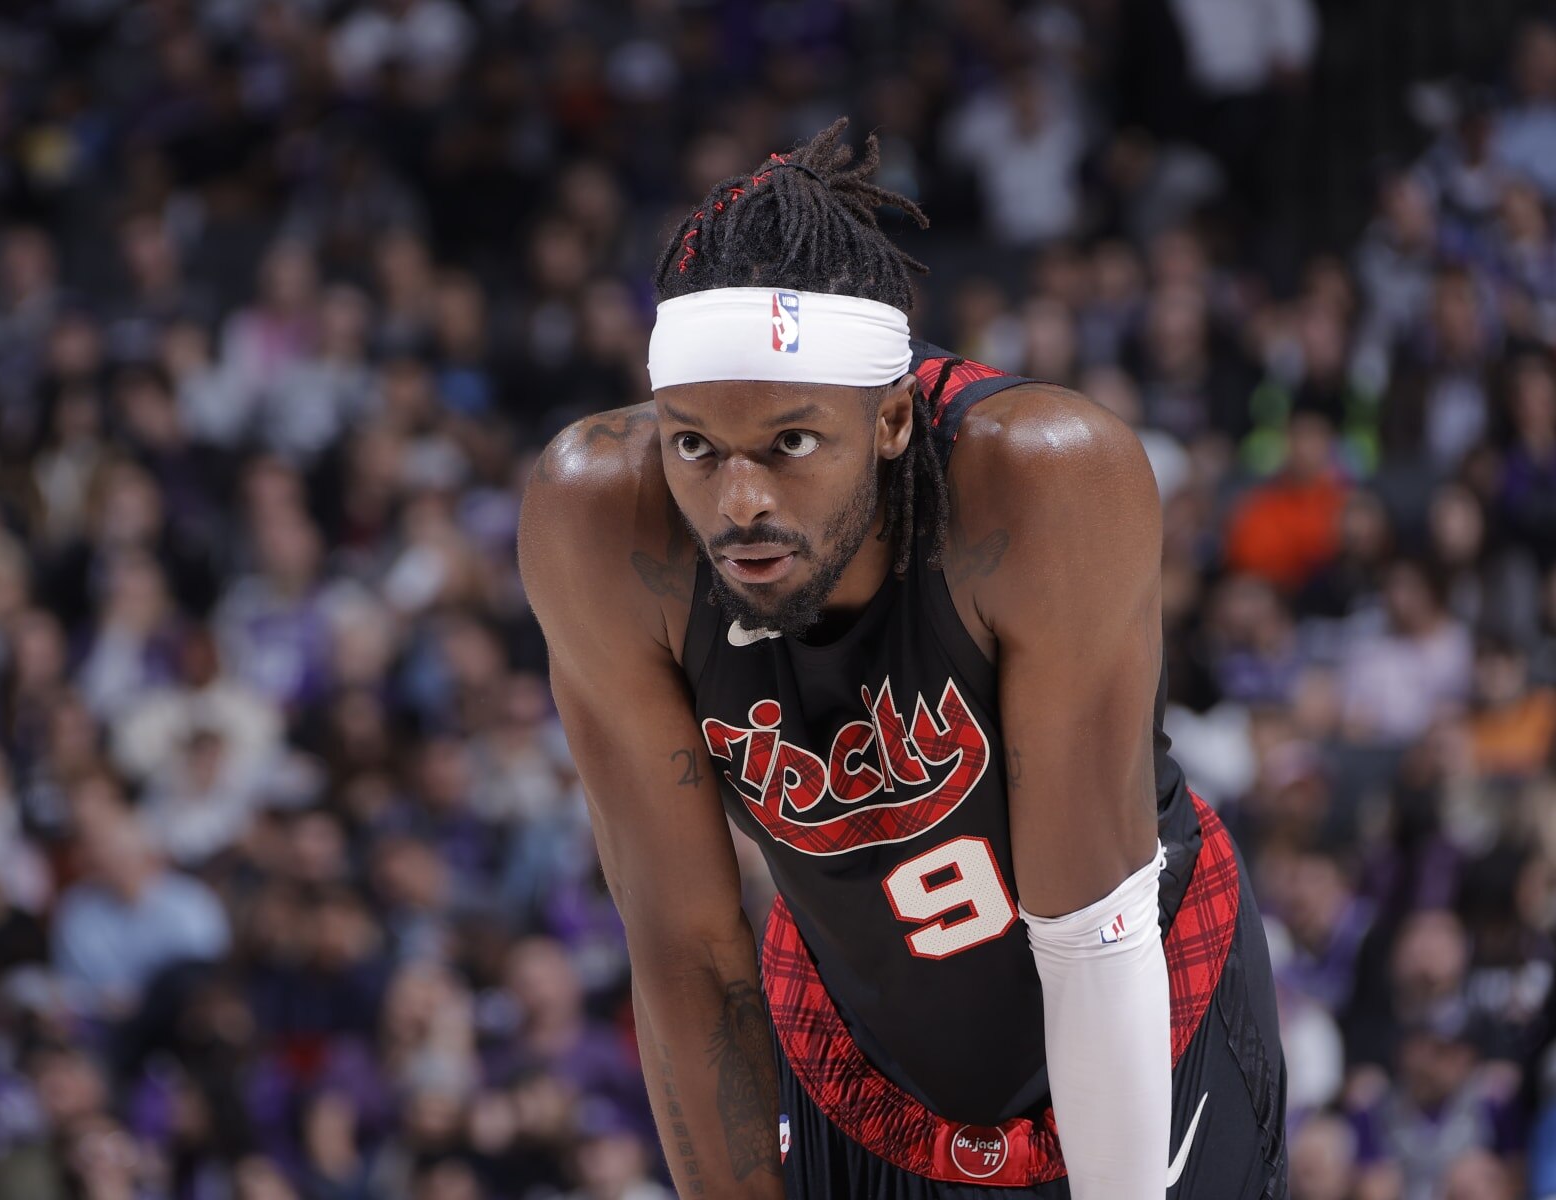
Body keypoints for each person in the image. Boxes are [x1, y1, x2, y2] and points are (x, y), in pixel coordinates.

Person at [519, 120, 1287, 1198]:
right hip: (863, 1062)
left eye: (790, 444)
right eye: (696, 445)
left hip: (1138, 999)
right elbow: (689, 955)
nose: (739, 504)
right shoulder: (600, 520)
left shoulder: (1040, 482)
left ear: (886, 421)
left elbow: (1089, 930)